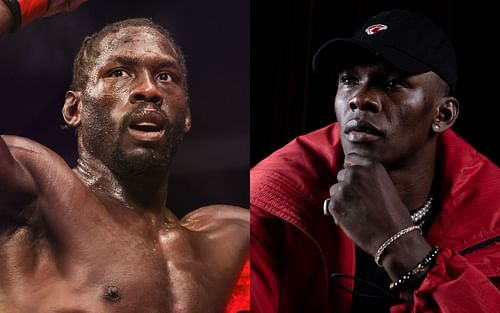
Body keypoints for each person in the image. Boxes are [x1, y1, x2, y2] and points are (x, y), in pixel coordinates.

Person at [0, 1, 249, 312]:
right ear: (74, 109)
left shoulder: (231, 239)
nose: (148, 89)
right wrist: (16, 5)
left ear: (186, 115)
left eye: (166, 76)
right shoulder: (36, 189)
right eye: (118, 73)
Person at [250, 9, 499, 313]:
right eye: (349, 80)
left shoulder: (491, 209)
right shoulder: (273, 199)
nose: (359, 98)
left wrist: (402, 248)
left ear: (442, 114)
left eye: (392, 83)